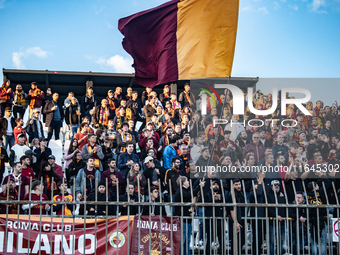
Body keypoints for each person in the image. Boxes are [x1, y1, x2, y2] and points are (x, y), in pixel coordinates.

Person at [174, 176, 196, 255]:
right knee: (182, 241)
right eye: (187, 181)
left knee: (187, 241)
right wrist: (199, 186)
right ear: (183, 183)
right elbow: (188, 196)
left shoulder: (184, 191)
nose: (188, 182)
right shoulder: (180, 191)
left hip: (187, 219)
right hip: (182, 220)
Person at [226, 179, 246, 254]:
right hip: (235, 221)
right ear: (233, 185)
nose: (238, 186)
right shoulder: (232, 194)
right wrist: (236, 222)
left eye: (239, 184)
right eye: (236, 184)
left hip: (241, 219)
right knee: (236, 241)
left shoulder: (240, 193)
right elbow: (232, 210)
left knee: (242, 240)